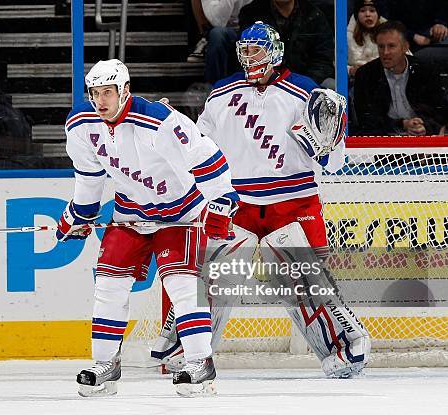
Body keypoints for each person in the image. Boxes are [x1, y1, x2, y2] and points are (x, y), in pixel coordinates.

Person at [155, 22, 371, 379]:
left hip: (294, 201)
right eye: (245, 50)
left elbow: (334, 162)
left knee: (305, 281)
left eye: (256, 50)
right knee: (212, 277)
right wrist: (174, 128)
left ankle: (344, 350)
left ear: (274, 50)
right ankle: (187, 351)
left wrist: (330, 144)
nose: (250, 57)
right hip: (236, 203)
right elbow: (199, 148)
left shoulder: (306, 93)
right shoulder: (221, 94)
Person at [58, 59, 239, 397]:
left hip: (181, 214)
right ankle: (105, 363)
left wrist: (221, 201)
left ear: (125, 90)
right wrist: (78, 215)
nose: (101, 101)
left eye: (108, 92)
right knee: (109, 284)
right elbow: (89, 177)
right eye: (95, 93)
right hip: (131, 215)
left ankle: (200, 362)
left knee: (182, 285)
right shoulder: (82, 125)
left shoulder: (159, 121)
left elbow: (207, 156)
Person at [354, 21, 446, 136]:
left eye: (391, 46)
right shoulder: (366, 75)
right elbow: (367, 120)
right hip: (384, 140)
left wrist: (424, 125)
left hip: (424, 136)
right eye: (381, 47)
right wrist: (402, 124)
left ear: (405, 47)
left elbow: (439, 111)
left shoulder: (425, 70)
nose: (385, 52)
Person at [238, 0, 335, 88]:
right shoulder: (251, 14)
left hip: (306, 82)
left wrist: (302, 83)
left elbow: (323, 60)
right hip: (264, 81)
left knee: (332, 88)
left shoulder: (315, 15)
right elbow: (245, 55)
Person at [187, 1, 251, 84]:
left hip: (249, 25)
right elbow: (218, 22)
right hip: (223, 30)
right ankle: (215, 88)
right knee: (217, 34)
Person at [347, 0, 386, 78]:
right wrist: (350, 70)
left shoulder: (390, 35)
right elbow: (335, 63)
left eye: (372, 10)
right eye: (362, 11)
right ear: (357, 15)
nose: (368, 14)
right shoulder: (346, 37)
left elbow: (403, 60)